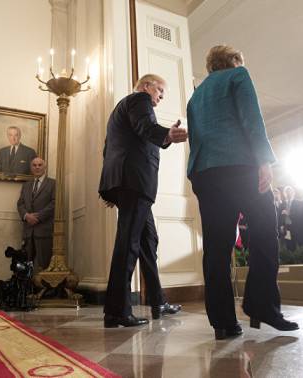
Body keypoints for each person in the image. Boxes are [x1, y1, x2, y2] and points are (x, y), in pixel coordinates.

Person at [186, 45, 298, 340]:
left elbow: (196, 137)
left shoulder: (196, 94)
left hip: (204, 173)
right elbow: (252, 118)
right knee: (263, 232)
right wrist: (264, 160)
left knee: (216, 247)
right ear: (234, 61)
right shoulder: (238, 75)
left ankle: (223, 322)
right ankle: (262, 305)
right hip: (239, 166)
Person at [98, 73, 186, 328]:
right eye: (159, 89)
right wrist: (167, 134)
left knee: (148, 241)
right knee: (129, 243)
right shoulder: (139, 101)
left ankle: (157, 300)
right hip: (135, 182)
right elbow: (146, 128)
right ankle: (117, 311)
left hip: (127, 182)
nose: (161, 95)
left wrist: (112, 187)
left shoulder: (121, 108)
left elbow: (108, 149)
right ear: (146, 86)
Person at [17, 157, 55, 271]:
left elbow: (55, 203)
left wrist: (38, 217)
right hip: (28, 232)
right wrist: (26, 216)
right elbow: (20, 204)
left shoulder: (53, 183)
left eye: (40, 165)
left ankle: (44, 289)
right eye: (34, 165)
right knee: (25, 266)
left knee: (45, 265)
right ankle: (26, 288)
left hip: (44, 232)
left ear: (45, 167)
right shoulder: (26, 185)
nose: (37, 167)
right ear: (31, 168)